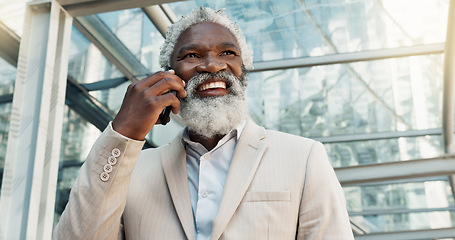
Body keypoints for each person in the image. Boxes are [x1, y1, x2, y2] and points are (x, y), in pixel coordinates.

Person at [53, 7, 354, 240]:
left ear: (242, 71)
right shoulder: (131, 170)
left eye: (227, 53)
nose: (212, 65)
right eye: (192, 55)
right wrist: (124, 132)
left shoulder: (303, 157)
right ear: (169, 77)